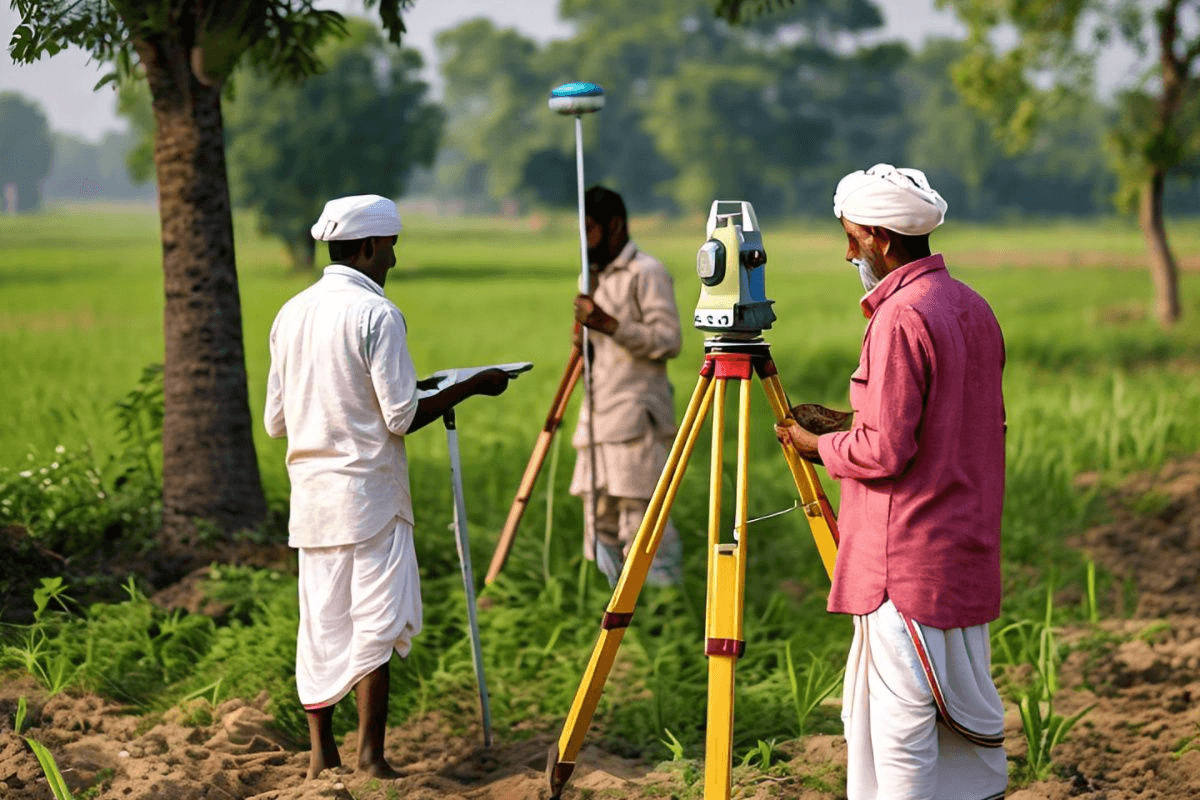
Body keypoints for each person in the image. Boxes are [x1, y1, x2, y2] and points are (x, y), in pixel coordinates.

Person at [775, 164, 1008, 800]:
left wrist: (815, 444)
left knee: (902, 729)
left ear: (878, 237)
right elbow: (940, 424)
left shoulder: (900, 317)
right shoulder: (970, 306)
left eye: (851, 236)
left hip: (905, 562)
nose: (849, 252)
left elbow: (884, 451)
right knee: (954, 717)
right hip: (960, 549)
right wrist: (844, 423)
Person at [264, 194, 510, 780]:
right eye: (391, 248)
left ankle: (322, 758)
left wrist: (414, 389)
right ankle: (371, 759)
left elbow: (277, 421)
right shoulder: (378, 315)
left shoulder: (290, 313)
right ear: (370, 246)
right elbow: (400, 418)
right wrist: (473, 385)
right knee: (376, 622)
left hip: (312, 501)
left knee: (321, 625)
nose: (393, 261)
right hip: (369, 499)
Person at [571, 185, 684, 587]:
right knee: (597, 516)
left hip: (637, 416)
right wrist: (583, 335)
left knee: (641, 515)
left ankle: (660, 607)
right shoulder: (590, 274)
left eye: (589, 229)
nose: (583, 241)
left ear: (614, 225)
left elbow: (669, 341)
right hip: (597, 417)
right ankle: (609, 610)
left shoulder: (646, 272)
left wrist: (611, 326)